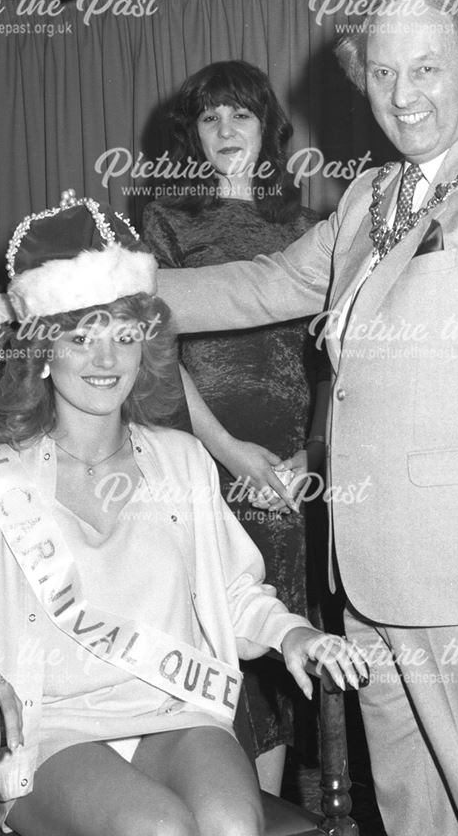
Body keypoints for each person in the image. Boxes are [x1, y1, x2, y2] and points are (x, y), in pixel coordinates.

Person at [153, 0, 458, 836]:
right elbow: (269, 283)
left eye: (427, 68)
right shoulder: (372, 195)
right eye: (384, 72)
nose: (403, 95)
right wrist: (118, 286)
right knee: (408, 812)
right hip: (368, 576)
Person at [0, 190, 365, 836]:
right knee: (154, 828)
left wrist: (293, 633)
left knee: (234, 826)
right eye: (81, 337)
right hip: (53, 730)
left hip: (175, 712)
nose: (106, 360)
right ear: (43, 351)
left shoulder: (181, 463)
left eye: (125, 336)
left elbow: (234, 591)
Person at [142, 59, 330, 791]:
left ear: (267, 129)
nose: (225, 130)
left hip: (290, 469)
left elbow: (329, 363)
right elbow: (150, 350)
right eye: (209, 117)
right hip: (200, 456)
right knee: (217, 631)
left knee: (282, 625)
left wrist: (305, 457)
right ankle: (222, 800)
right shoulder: (163, 219)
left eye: (240, 115)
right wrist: (226, 450)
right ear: (191, 133)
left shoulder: (309, 225)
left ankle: (267, 805)